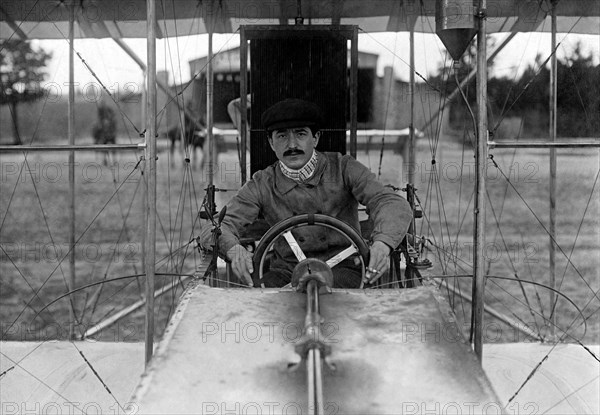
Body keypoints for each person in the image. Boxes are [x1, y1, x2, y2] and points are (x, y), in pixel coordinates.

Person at [201, 98, 412, 288]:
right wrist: (233, 249)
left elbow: (391, 203)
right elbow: (217, 228)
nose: (292, 145)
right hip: (286, 274)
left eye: (301, 134)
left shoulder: (344, 168)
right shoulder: (261, 183)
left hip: (345, 271)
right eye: (282, 136)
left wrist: (383, 244)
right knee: (257, 308)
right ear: (271, 143)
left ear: (316, 138)